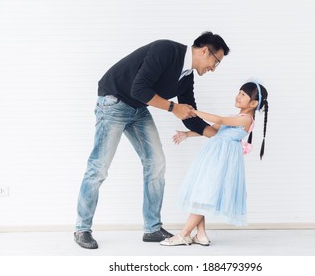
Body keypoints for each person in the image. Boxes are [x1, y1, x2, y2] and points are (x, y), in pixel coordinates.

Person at [74, 31, 230, 249]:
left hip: (138, 108)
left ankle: (152, 228)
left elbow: (189, 115)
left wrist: (215, 135)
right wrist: (173, 108)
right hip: (114, 102)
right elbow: (139, 89)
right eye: (216, 62)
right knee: (98, 167)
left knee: (156, 164)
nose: (213, 68)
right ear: (205, 50)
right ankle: (82, 228)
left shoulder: (186, 76)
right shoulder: (166, 50)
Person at [160, 81, 269, 246]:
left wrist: (193, 111)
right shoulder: (235, 117)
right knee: (201, 190)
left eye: (243, 95)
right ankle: (201, 234)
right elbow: (212, 129)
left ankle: (184, 234)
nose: (238, 96)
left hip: (222, 160)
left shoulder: (246, 120)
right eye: (238, 92)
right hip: (213, 156)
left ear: (253, 103)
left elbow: (218, 119)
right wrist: (186, 134)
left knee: (205, 192)